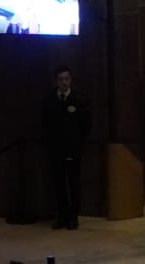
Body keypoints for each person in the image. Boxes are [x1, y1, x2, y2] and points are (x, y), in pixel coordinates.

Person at [42, 66, 91, 230]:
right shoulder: (49, 99)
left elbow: (86, 125)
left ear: (70, 80)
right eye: (60, 79)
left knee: (73, 184)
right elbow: (45, 124)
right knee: (59, 185)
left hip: (73, 149)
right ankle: (62, 216)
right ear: (56, 81)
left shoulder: (79, 99)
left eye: (66, 79)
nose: (64, 82)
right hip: (56, 150)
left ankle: (73, 217)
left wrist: (79, 145)